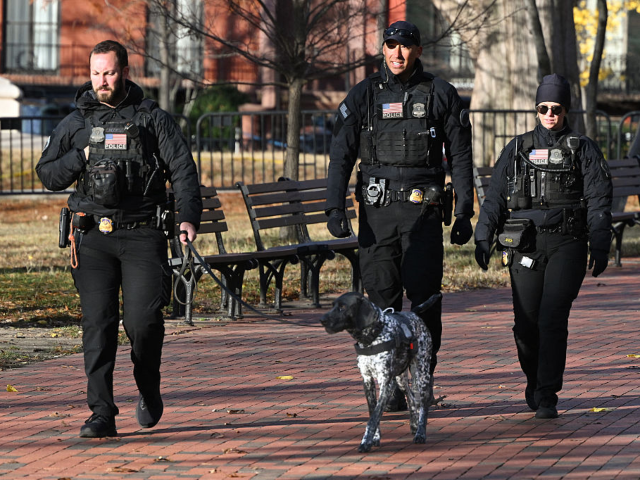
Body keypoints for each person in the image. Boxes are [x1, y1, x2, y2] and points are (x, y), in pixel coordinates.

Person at [36, 40, 202, 437]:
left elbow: (182, 169)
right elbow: (46, 174)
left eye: (108, 72)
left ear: (125, 72)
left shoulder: (151, 118)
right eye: (95, 73)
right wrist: (82, 157)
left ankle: (148, 385)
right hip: (92, 237)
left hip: (142, 233)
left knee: (142, 322)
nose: (101, 81)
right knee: (99, 323)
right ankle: (102, 413)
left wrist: (188, 219)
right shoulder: (76, 122)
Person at [326, 21, 475, 410]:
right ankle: (389, 386)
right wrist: (334, 206)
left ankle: (421, 378)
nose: (396, 53)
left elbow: (460, 156)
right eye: (390, 45)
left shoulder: (440, 94)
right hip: (377, 217)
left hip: (423, 214)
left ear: (418, 50)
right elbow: (341, 155)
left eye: (404, 46)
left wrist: (463, 211)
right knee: (380, 301)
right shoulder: (364, 96)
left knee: (424, 302)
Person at [474, 74, 612, 419]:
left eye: (557, 108)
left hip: (568, 242)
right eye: (544, 108)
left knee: (552, 317)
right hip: (527, 244)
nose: (550, 114)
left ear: (565, 110)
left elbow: (598, 199)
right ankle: (534, 379)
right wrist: (483, 235)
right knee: (525, 323)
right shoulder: (518, 148)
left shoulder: (583, 148)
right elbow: (494, 198)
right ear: (536, 109)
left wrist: (600, 242)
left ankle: (548, 392)